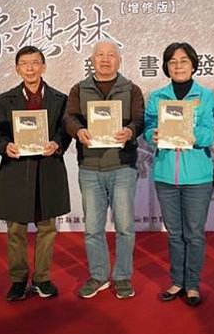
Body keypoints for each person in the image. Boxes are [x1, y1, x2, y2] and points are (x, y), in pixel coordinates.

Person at [63, 39, 144, 300]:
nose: (105, 59)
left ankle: (122, 277)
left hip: (122, 166)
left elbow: (140, 120)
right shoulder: (79, 88)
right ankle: (98, 275)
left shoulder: (131, 89)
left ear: (119, 60)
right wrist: (79, 130)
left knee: (125, 227)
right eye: (100, 55)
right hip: (90, 166)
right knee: (93, 228)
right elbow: (69, 118)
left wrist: (130, 130)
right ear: (92, 59)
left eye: (111, 55)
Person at [0, 46, 72, 301]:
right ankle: (17, 280)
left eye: (35, 63)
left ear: (43, 67)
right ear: (17, 69)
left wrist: (57, 143)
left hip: (48, 170)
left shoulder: (60, 98)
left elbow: (65, 130)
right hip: (16, 171)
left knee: (47, 228)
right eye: (24, 63)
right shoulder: (5, 99)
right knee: (15, 230)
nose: (30, 68)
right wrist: (6, 146)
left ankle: (42, 279)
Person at [143, 42, 214, 307]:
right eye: (172, 62)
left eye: (184, 61)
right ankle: (177, 281)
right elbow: (148, 129)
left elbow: (210, 133)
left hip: (197, 176)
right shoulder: (157, 97)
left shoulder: (205, 96)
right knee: (174, 233)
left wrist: (189, 133)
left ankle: (193, 284)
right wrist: (153, 134)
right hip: (165, 175)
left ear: (194, 64)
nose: (178, 66)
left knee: (194, 234)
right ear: (166, 66)